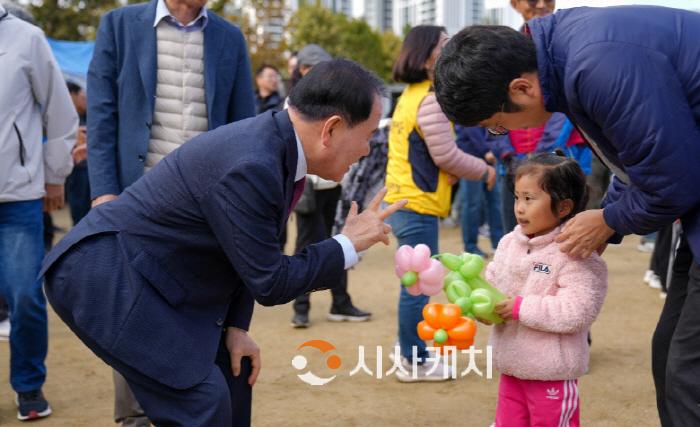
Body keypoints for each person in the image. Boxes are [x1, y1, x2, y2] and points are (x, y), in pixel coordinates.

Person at [41, 59, 405, 427]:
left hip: (157, 278)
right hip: (107, 279)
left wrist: (236, 328)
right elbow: (271, 279)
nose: (367, 148)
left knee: (235, 375)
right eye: (368, 134)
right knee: (204, 402)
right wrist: (347, 244)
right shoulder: (254, 163)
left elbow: (243, 250)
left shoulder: (274, 146)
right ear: (332, 128)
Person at [434, 8, 700, 425]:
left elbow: (675, 180)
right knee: (671, 356)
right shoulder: (568, 59)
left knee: (687, 373)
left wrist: (610, 219)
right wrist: (601, 221)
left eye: (498, 126)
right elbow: (635, 161)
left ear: (521, 88)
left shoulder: (596, 65)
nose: (501, 135)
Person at [87, 0, 256, 424]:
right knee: (131, 307)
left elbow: (243, 122)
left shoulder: (229, 37)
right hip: (137, 198)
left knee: (203, 303)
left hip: (208, 203)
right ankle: (136, 417)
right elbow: (103, 112)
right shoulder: (119, 26)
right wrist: (105, 193)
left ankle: (197, 408)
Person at [383, 25, 495, 382]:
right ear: (427, 56)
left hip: (405, 198)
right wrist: (484, 171)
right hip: (417, 203)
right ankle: (413, 360)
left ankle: (407, 349)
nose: (451, 50)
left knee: (414, 282)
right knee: (418, 286)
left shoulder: (411, 95)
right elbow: (445, 154)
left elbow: (425, 154)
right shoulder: (430, 99)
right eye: (444, 45)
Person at [485, 153, 607, 427]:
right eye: (517, 197)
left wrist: (520, 307)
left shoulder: (575, 252)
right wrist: (485, 309)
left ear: (563, 207)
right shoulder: (508, 243)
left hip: (551, 373)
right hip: (512, 366)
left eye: (529, 199)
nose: (519, 207)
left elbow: (578, 310)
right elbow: (494, 283)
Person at [0, 4, 78, 420]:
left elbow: (60, 113)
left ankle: (28, 385)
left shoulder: (26, 38)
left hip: (17, 197)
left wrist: (54, 175)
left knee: (25, 297)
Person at [290, 44, 371, 328]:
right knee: (305, 244)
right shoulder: (293, 103)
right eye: (316, 68)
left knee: (340, 239)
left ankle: (341, 301)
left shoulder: (338, 101)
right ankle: (301, 307)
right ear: (302, 70)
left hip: (334, 184)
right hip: (306, 186)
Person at [455, 125, 504, 257]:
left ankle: (499, 244)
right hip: (470, 158)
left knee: (495, 203)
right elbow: (470, 127)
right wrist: (486, 150)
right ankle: (470, 247)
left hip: (489, 157)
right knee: (472, 204)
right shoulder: (465, 106)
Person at [65, 81, 91, 225]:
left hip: (91, 166)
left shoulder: (92, 112)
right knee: (78, 208)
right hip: (76, 167)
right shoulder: (67, 115)